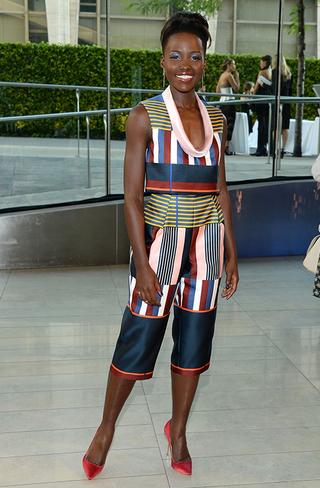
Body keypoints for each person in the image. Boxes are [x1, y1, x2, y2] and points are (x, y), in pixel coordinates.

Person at [82, 11, 239, 480]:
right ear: (163, 61)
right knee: (138, 338)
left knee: (193, 345)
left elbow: (220, 190)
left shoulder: (217, 119)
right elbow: (131, 199)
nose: (185, 64)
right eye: (176, 55)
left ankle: (181, 430)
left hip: (207, 247)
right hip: (158, 247)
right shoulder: (143, 117)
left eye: (195, 56)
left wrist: (232, 250)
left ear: (206, 62)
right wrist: (142, 264)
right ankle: (106, 429)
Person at [216, 58, 240, 155]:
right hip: (229, 102)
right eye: (233, 64)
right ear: (228, 65)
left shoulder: (222, 75)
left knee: (224, 124)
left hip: (222, 101)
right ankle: (226, 147)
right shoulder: (229, 75)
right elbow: (236, 88)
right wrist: (237, 77)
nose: (235, 66)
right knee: (230, 124)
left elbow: (217, 91)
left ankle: (222, 146)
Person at [271, 55, 293, 157]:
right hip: (286, 102)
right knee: (284, 128)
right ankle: (283, 149)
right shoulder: (288, 73)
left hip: (277, 101)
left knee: (275, 128)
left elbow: (274, 88)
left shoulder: (275, 72)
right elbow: (290, 90)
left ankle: (275, 149)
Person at [252, 54, 273, 156]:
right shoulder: (271, 72)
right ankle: (264, 147)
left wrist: (252, 96)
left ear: (265, 62)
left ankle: (260, 149)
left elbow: (256, 88)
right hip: (268, 100)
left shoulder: (262, 72)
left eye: (261, 61)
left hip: (260, 100)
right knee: (266, 124)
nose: (260, 63)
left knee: (261, 125)